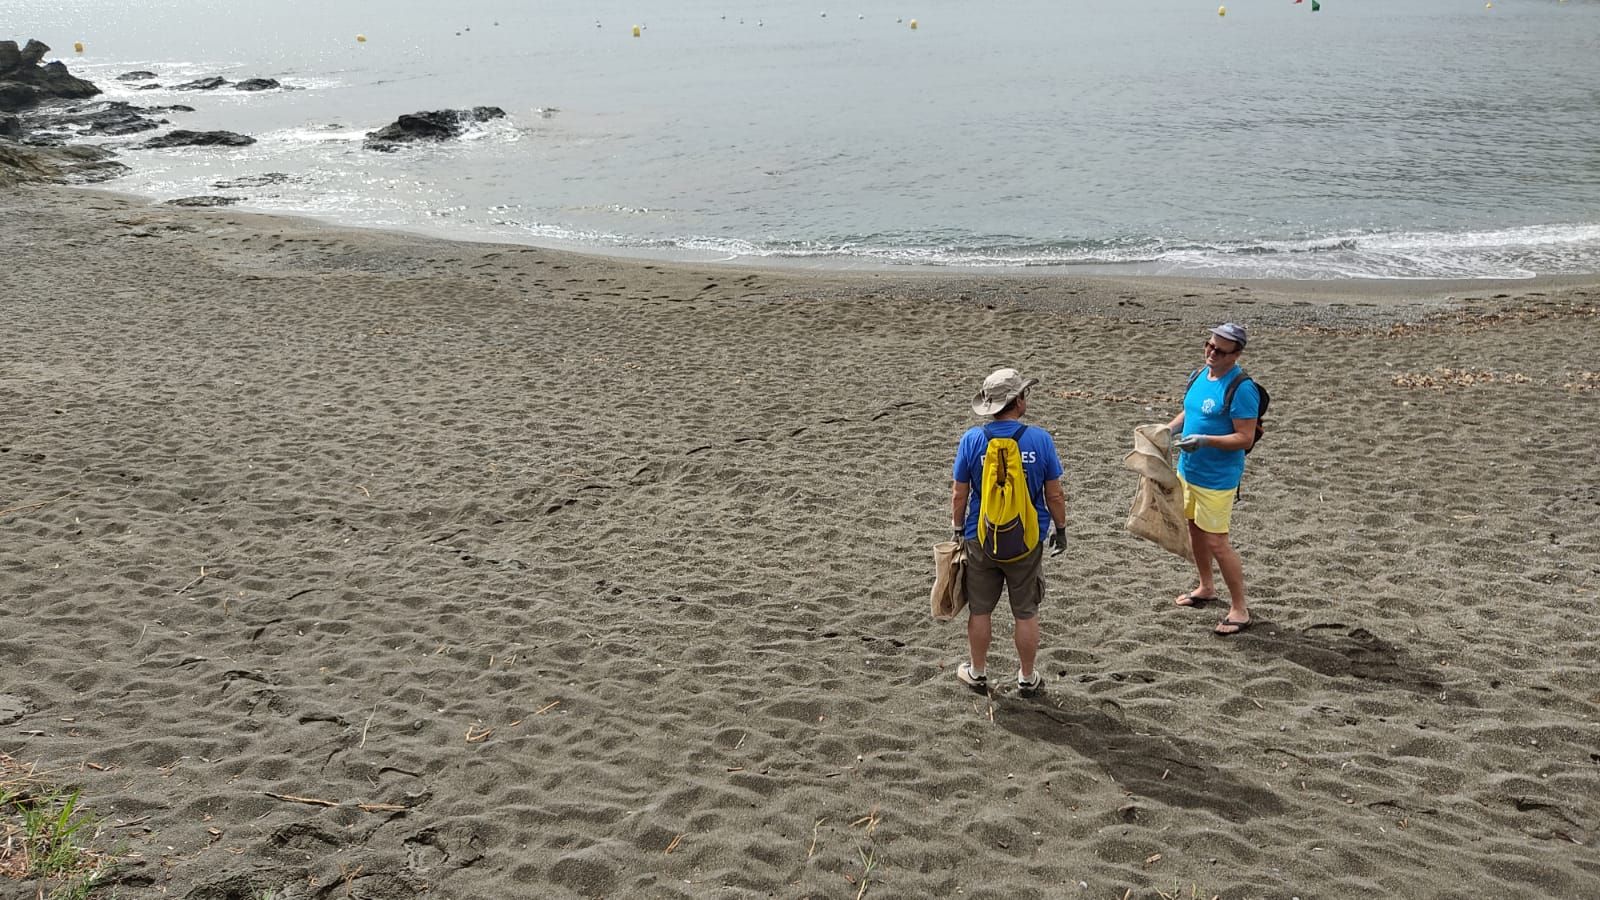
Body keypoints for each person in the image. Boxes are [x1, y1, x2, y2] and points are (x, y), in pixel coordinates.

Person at [950, 368, 1067, 694]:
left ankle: (977, 671)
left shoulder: (973, 440)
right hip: (1027, 540)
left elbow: (960, 494)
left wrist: (959, 529)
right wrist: (1061, 529)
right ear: (1018, 401)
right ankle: (1027, 678)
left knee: (981, 608)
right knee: (1026, 612)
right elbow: (1054, 494)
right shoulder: (1040, 439)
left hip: (981, 538)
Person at [1166, 322, 1262, 635]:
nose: (1211, 352)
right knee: (1194, 529)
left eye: (1220, 350)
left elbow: (1245, 438)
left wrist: (1205, 440)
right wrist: (1168, 430)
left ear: (1236, 354)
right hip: (1189, 469)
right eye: (1209, 345)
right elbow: (1190, 413)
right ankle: (1206, 587)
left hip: (1217, 477)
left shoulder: (1242, 387)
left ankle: (1240, 609)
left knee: (1218, 542)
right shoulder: (1200, 375)